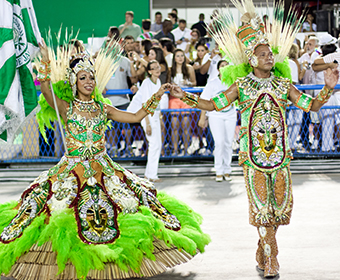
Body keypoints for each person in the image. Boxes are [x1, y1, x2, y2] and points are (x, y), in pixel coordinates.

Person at [0, 38, 210, 280]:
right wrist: (46, 59)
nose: (88, 82)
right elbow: (45, 88)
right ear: (73, 82)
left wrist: (157, 94)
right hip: (71, 171)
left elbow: (135, 116)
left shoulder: (103, 108)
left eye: (91, 77)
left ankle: (107, 263)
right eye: (83, 78)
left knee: (125, 208)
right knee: (60, 215)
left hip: (104, 169)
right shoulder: (66, 108)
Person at [170, 3, 338, 278]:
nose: (269, 56)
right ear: (251, 59)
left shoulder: (284, 85)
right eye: (262, 54)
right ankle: (272, 258)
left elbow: (312, 106)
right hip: (253, 157)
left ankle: (262, 248)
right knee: (262, 209)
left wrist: (328, 89)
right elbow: (213, 104)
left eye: (270, 53)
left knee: (280, 208)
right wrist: (185, 95)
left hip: (281, 158)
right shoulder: (242, 86)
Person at [127, 60, 169, 182]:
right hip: (145, 115)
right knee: (154, 144)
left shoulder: (159, 82)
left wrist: (160, 119)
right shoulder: (146, 83)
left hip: (155, 114)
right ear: (149, 71)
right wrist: (147, 123)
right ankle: (151, 175)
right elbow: (144, 104)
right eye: (154, 68)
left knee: (157, 145)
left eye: (158, 67)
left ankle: (150, 174)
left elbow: (158, 102)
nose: (157, 69)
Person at [198, 60, 237, 181]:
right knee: (219, 142)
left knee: (228, 143)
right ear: (218, 69)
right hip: (215, 116)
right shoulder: (212, 83)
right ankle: (218, 170)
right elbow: (204, 100)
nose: (224, 68)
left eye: (227, 66)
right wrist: (202, 117)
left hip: (230, 115)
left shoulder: (233, 82)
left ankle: (227, 169)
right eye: (222, 66)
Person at [311, 34, 340, 152]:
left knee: (328, 121)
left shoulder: (332, 56)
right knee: (332, 121)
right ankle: (330, 146)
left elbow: (314, 65)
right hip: (331, 93)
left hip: (329, 93)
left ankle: (327, 147)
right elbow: (314, 66)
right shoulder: (334, 56)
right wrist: (329, 64)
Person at [167, 49, 196, 156]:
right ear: (174, 58)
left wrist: (187, 83)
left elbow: (194, 83)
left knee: (185, 124)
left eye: (182, 56)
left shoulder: (189, 68)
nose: (180, 58)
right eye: (178, 56)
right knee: (174, 125)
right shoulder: (171, 70)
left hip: (185, 97)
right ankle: (175, 150)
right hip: (173, 98)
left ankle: (186, 149)